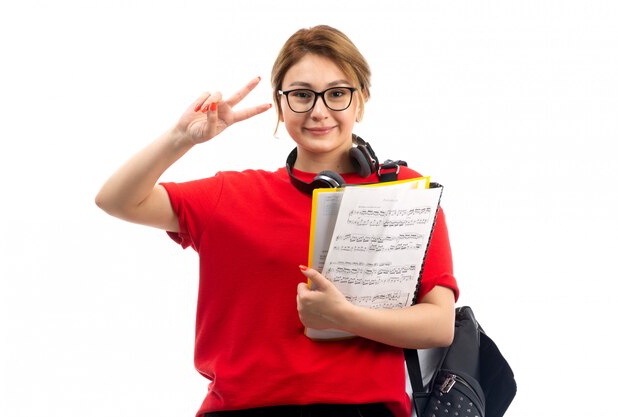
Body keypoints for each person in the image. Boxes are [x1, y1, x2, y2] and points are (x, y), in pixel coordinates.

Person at [95, 25, 459, 417]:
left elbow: (439, 325)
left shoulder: (403, 193)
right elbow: (116, 200)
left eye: (337, 93)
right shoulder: (230, 195)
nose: (319, 111)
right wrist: (181, 138)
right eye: (302, 95)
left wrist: (343, 317)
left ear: (361, 101)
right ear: (281, 104)